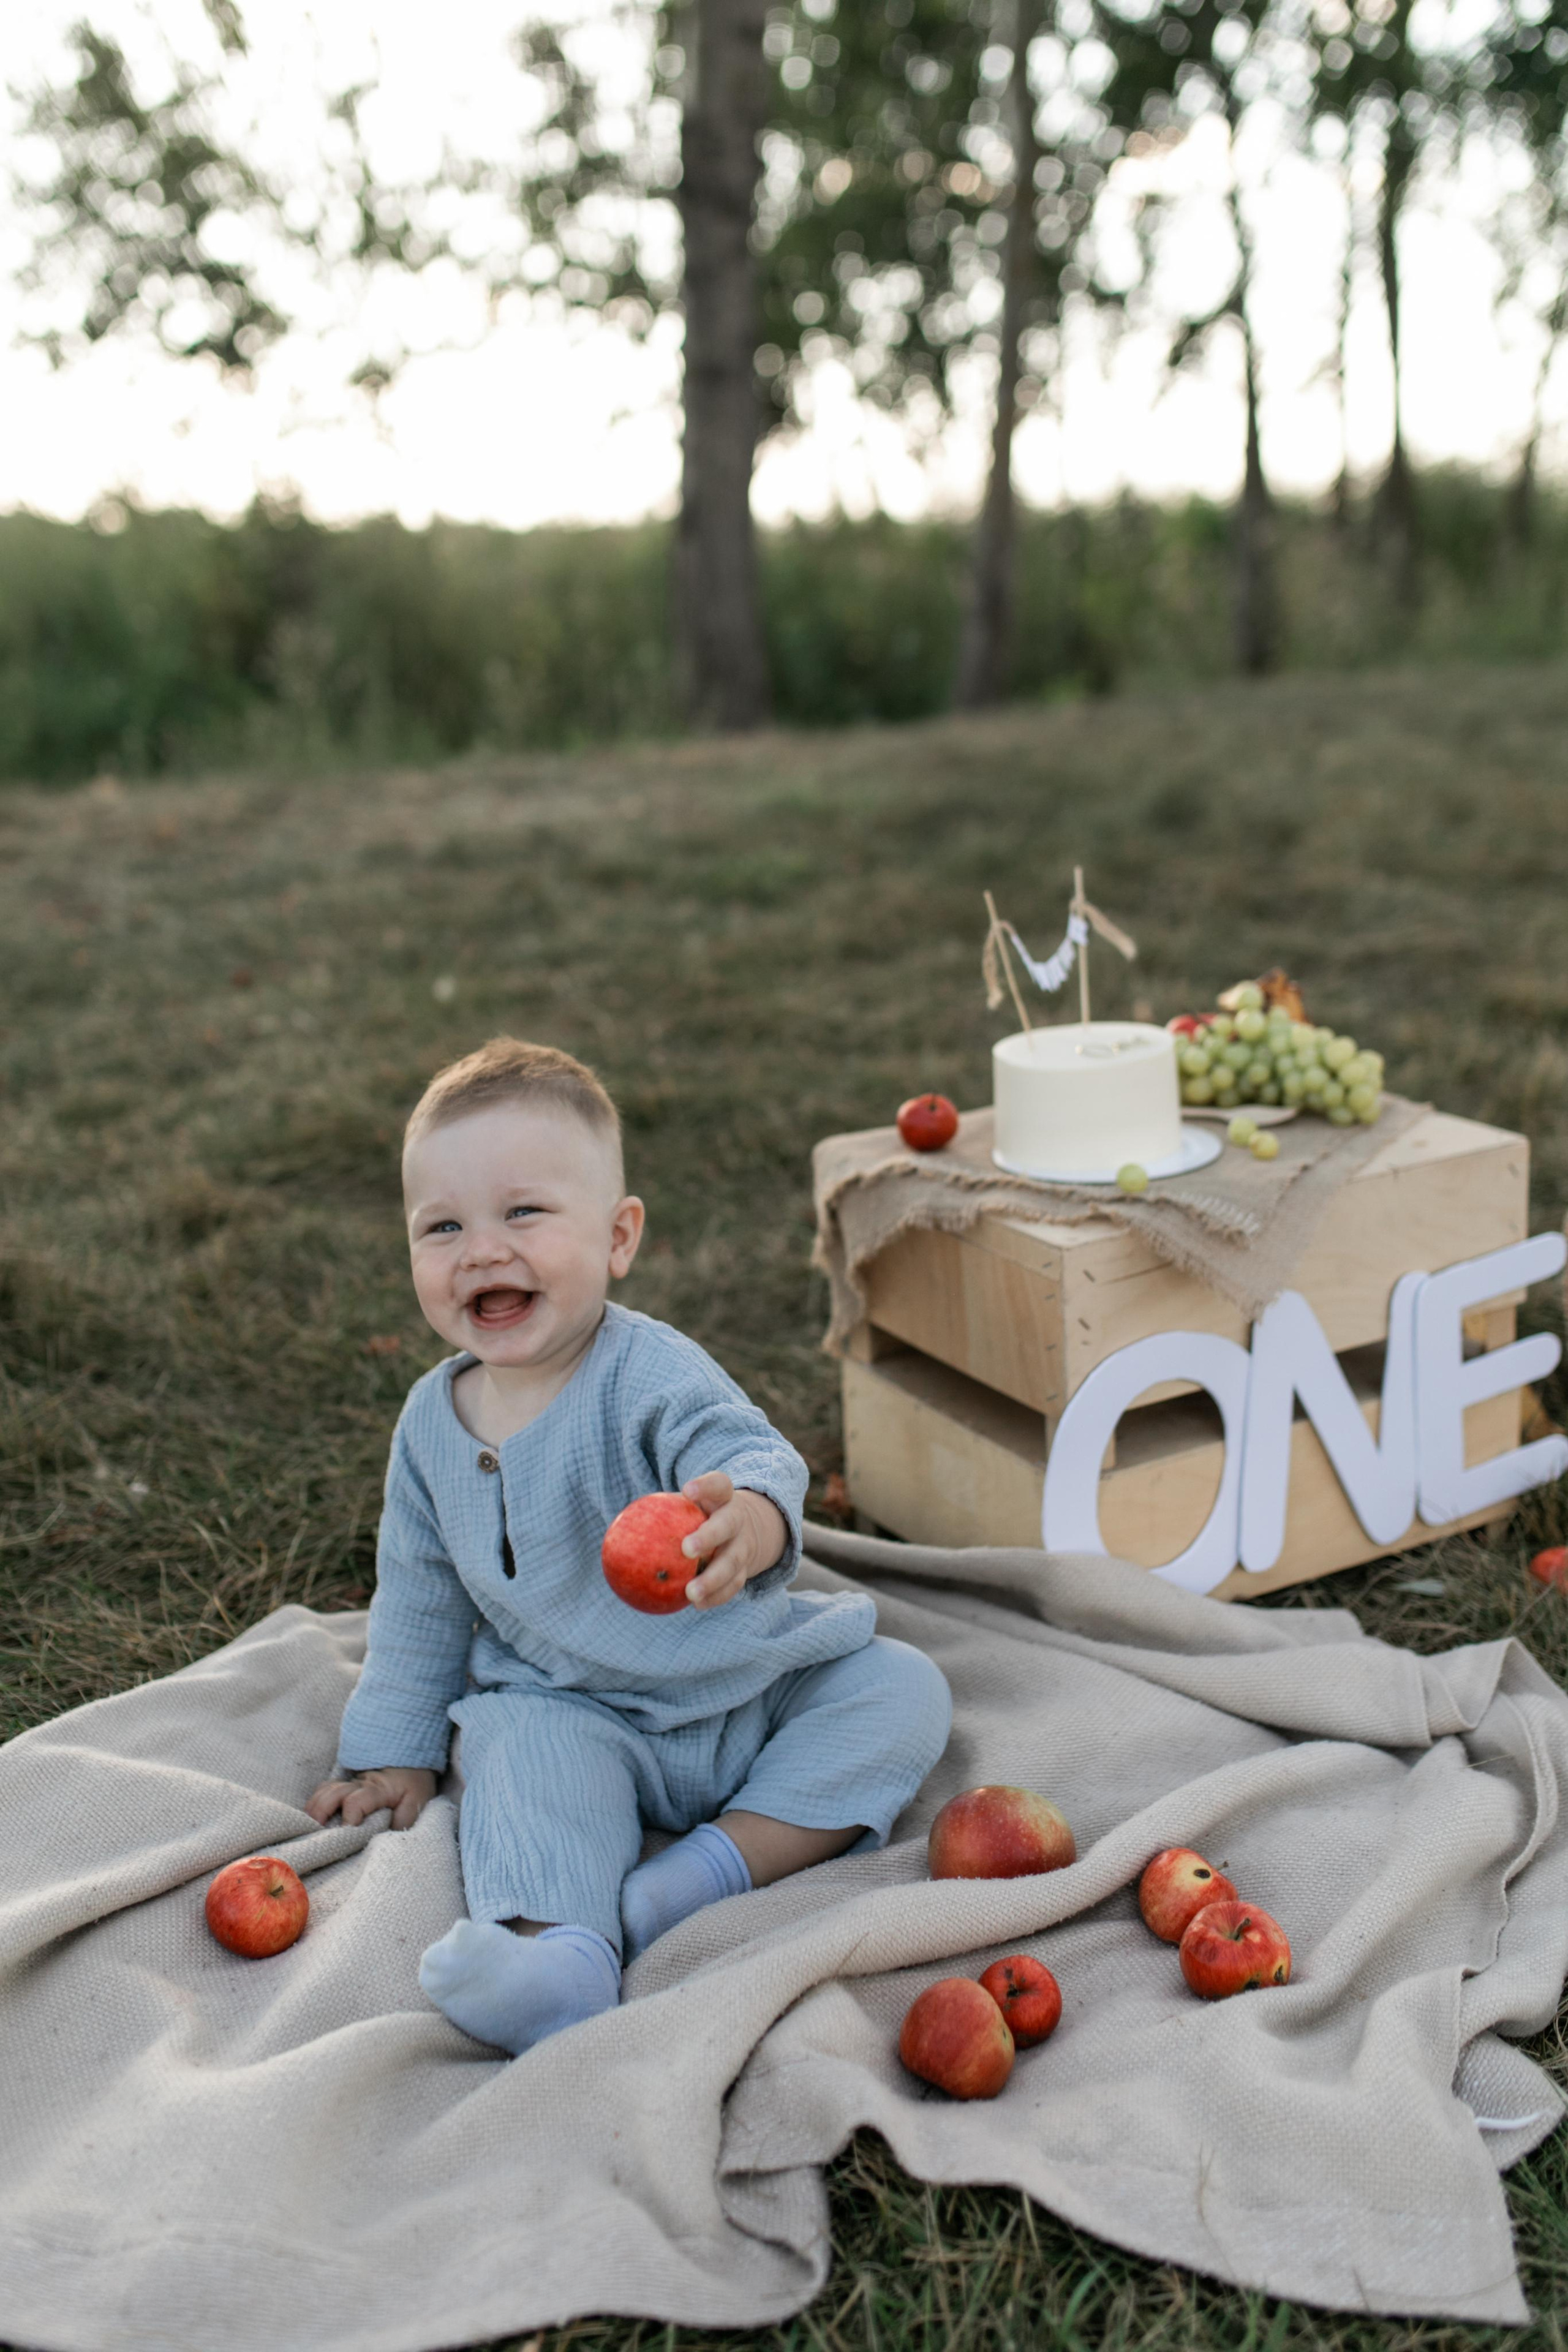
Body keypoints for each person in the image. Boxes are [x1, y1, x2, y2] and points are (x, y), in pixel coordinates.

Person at [305, 1038, 951, 2055]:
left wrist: (750, 1515)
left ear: (618, 1238)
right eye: (443, 1227)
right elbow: (420, 1599)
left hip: (737, 1688)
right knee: (512, 1761)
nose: (482, 1249)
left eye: (523, 1213)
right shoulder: (432, 1429)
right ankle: (559, 1956)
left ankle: (699, 1878)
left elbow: (744, 1450)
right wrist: (391, 1750)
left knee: (901, 1691)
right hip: (571, 1707)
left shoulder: (648, 1373)